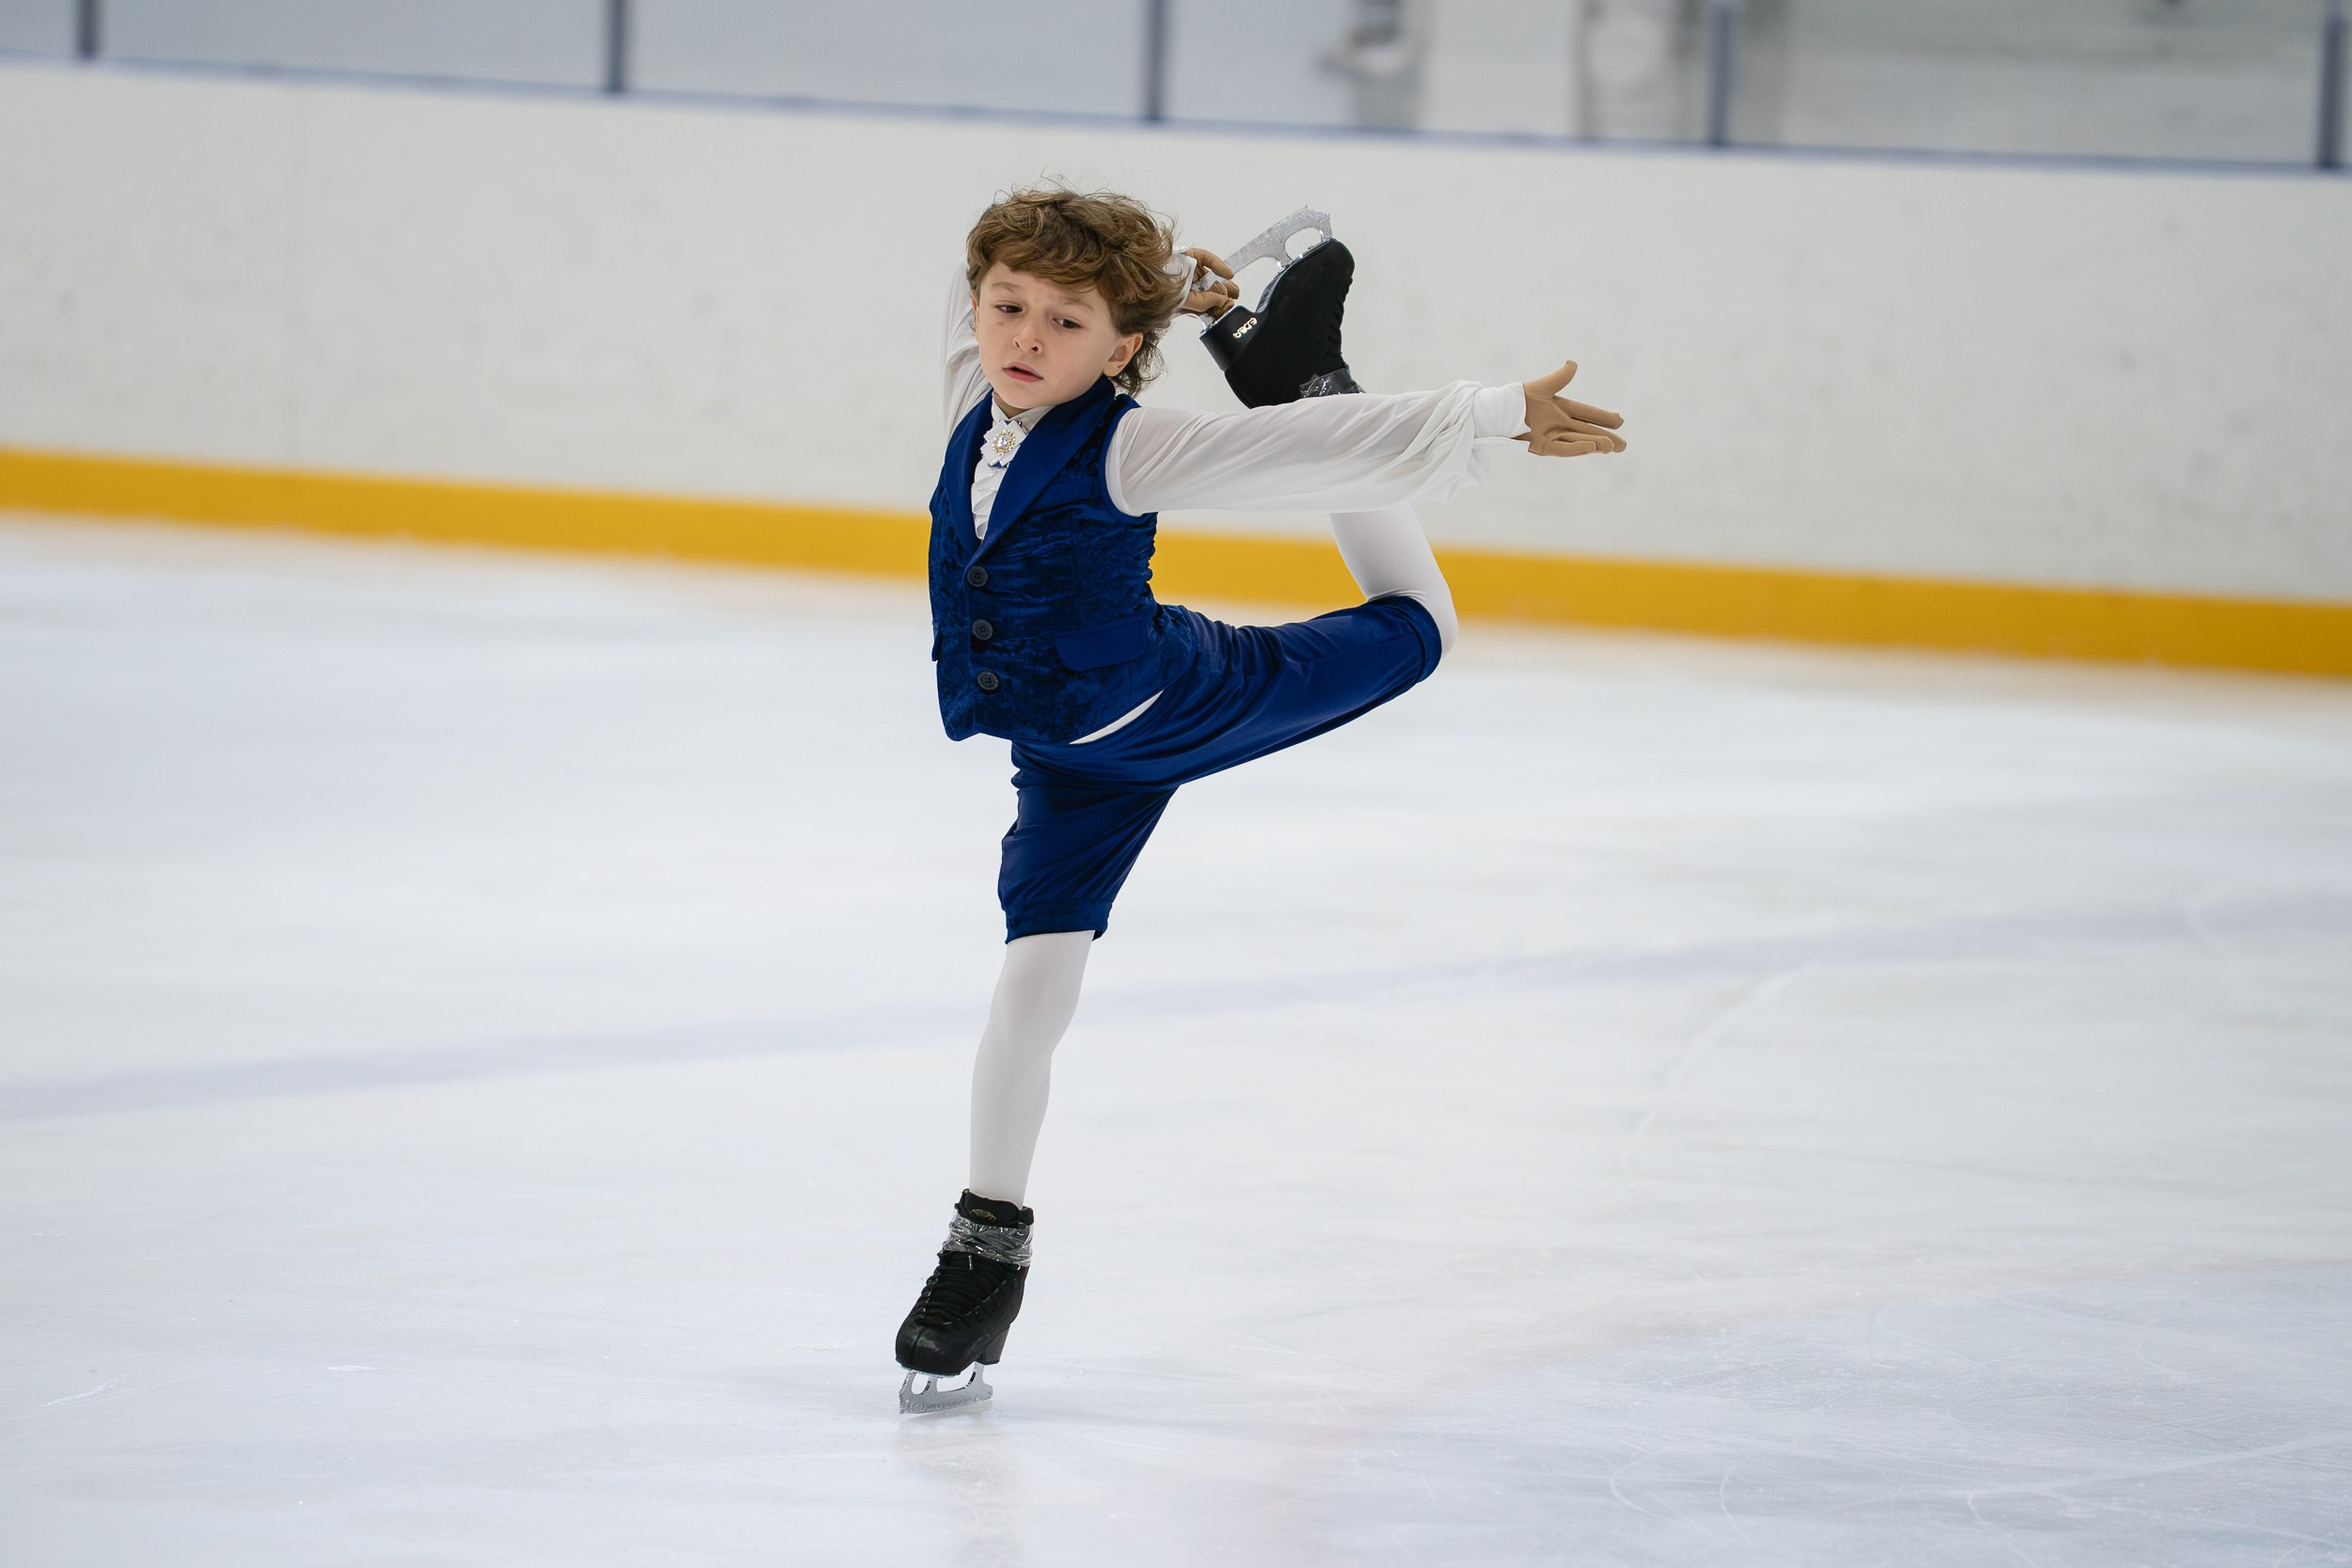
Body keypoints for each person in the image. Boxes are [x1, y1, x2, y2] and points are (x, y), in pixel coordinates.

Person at [895, 187, 1625, 1412]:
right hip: (1068, 760)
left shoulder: (1129, 443)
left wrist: (1496, 414)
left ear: (1121, 353)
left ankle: (1305, 372)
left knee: (1422, 629)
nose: (1025, 338)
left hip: (1180, 699)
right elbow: (1014, 299)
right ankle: (983, 1259)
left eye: (1065, 322)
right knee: (1032, 984)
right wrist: (1170, 282)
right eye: (1008, 308)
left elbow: (1301, 459)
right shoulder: (979, 389)